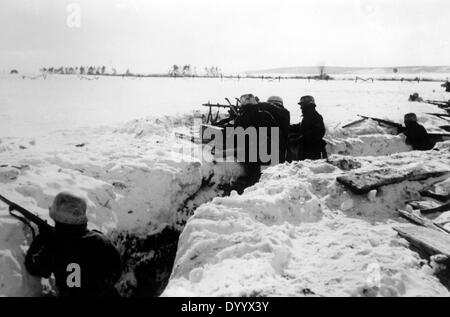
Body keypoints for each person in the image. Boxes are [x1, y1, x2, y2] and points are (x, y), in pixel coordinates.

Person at [25, 192, 122, 297]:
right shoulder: (99, 240)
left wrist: (42, 237)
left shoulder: (54, 245)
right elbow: (117, 269)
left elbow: (34, 267)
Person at [233, 94, 278, 186]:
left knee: (252, 177)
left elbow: (237, 139)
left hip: (249, 153)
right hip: (267, 151)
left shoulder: (239, 119)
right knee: (267, 176)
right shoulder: (266, 115)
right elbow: (275, 133)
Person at [289, 95, 327, 160]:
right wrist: (289, 127)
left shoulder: (316, 117)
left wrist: (300, 139)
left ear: (307, 105)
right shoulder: (308, 116)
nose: (301, 107)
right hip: (306, 150)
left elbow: (318, 133)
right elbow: (301, 127)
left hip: (313, 151)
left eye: (302, 105)